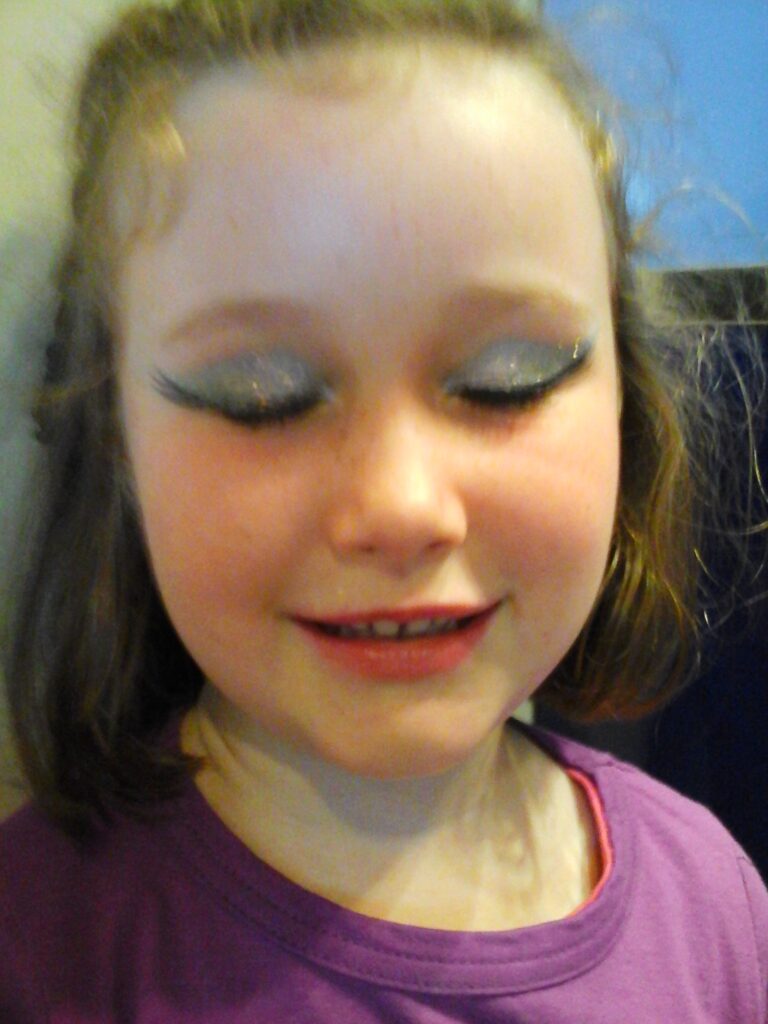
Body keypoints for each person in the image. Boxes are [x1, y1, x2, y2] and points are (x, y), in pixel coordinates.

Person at [1, 0, 766, 1019]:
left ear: (626, 400)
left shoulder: (715, 906)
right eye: (262, 394)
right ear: (116, 441)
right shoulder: (39, 945)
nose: (401, 505)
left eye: (506, 378)